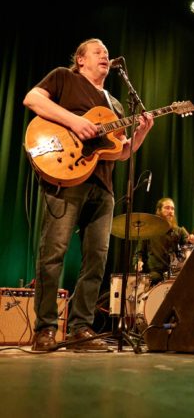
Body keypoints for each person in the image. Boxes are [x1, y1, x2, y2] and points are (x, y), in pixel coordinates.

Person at [23, 38, 154, 351]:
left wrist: (140, 134)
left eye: (107, 53)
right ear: (81, 60)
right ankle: (45, 330)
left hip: (102, 187)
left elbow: (121, 153)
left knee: (97, 259)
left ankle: (80, 329)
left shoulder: (115, 105)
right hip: (66, 176)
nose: (105, 56)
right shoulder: (63, 78)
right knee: (53, 253)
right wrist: (74, 121)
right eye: (98, 52)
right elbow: (32, 99)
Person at [137, 197, 194, 285]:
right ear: (158, 211)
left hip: (174, 273)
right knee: (154, 278)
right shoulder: (148, 231)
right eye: (167, 208)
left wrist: (192, 240)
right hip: (154, 274)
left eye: (172, 209)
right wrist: (138, 262)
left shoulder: (179, 231)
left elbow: (188, 245)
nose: (170, 211)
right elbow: (139, 253)